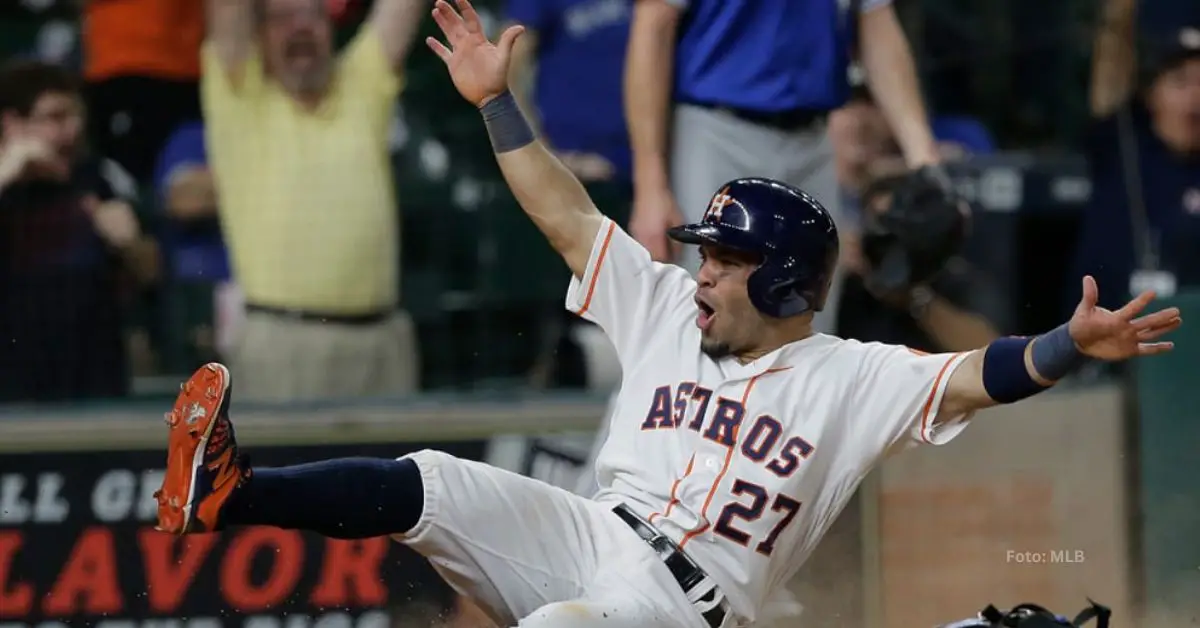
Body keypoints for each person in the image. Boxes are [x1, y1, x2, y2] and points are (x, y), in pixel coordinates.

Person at [152, 2, 1183, 627]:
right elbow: (564, 214)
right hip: (591, 534)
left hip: (677, 604)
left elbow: (978, 375)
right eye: (704, 254)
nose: (699, 273)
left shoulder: (849, 375)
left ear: (783, 282)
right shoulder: (659, 305)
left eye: (725, 261)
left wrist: (1068, 344)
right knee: (432, 481)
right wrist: (494, 104)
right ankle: (229, 493)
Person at [623, 0, 949, 337]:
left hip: (814, 138)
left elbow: (875, 20)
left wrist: (924, 158)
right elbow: (655, 21)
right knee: (700, 320)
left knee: (806, 329)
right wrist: (650, 185)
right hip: (716, 130)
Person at [200, 0, 424, 401]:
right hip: (282, 343)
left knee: (397, 464)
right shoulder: (240, 98)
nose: (300, 28)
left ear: (331, 27)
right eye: (282, 19)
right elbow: (228, 12)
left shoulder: (360, 86)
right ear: (259, 34)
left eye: (313, 15)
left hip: (382, 341)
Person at [0, 60, 157, 402]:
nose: (73, 130)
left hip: (93, 388)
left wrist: (130, 244)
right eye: (56, 118)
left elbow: (152, 273)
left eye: (77, 116)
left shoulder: (99, 178)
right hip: (12, 393)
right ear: (12, 124)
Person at [1078, 1, 1200, 312]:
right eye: (1181, 81)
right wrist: (1120, 12)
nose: (1195, 95)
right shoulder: (1123, 145)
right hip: (1108, 338)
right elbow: (1113, 62)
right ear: (1151, 93)